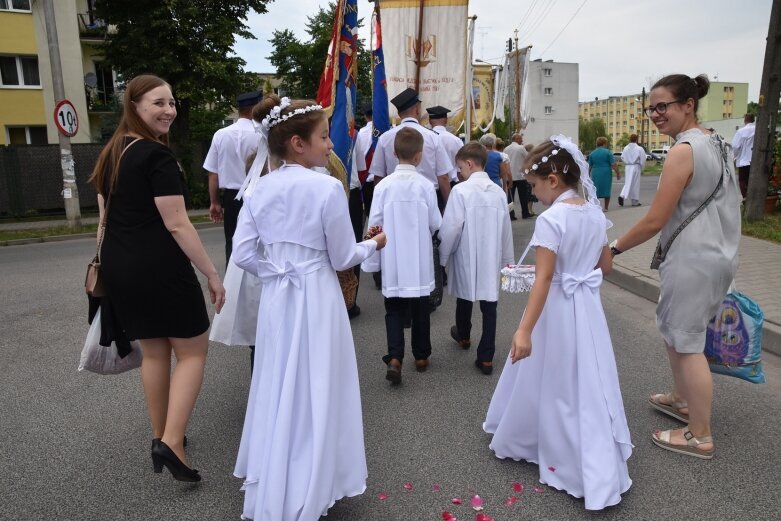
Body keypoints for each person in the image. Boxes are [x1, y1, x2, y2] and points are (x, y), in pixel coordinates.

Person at [231, 94, 387, 520]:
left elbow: (242, 253)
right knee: (319, 381)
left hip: (279, 298)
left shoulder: (259, 188)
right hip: (317, 294)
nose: (331, 144)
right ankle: (316, 476)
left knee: (279, 379)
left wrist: (275, 271)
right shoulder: (325, 187)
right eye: (323, 137)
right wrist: (373, 243)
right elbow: (340, 258)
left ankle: (277, 471)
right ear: (298, 143)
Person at [89, 74, 226, 482]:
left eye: (171, 103)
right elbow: (178, 224)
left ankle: (161, 436)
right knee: (192, 351)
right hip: (158, 267)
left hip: (120, 267)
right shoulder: (156, 156)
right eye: (157, 103)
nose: (168, 110)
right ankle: (172, 442)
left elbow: (103, 220)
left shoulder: (111, 154)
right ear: (134, 106)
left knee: (153, 352)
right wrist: (212, 273)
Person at [483, 135, 632, 510]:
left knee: (559, 378)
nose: (530, 194)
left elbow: (546, 279)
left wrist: (523, 329)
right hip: (587, 305)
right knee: (587, 376)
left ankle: (557, 451)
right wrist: (574, 268)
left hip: (560, 307)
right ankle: (594, 454)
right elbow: (606, 266)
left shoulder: (552, 219)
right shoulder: (595, 212)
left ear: (552, 179)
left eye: (532, 185)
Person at [611, 74, 741, 460]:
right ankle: (682, 400)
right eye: (651, 107)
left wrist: (613, 248)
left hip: (692, 258)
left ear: (688, 104)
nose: (655, 114)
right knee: (677, 333)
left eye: (662, 105)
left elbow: (654, 220)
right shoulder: (718, 141)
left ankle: (699, 434)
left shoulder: (683, 151)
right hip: (716, 255)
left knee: (686, 344)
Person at [363, 127, 442, 385]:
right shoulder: (425, 186)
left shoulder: (383, 186)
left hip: (393, 256)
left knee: (394, 308)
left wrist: (372, 254)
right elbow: (434, 222)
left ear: (395, 153)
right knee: (421, 306)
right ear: (419, 156)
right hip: (418, 257)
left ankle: (395, 357)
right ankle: (421, 356)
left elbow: (375, 222)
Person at [439, 142, 514, 375]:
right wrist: (507, 260)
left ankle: (463, 335)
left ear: (470, 164)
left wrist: (442, 257)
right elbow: (505, 228)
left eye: (460, 168)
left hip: (466, 254)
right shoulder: (499, 192)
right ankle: (486, 356)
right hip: (491, 253)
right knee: (489, 305)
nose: (459, 173)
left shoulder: (460, 192)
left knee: (465, 295)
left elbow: (451, 228)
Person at [369, 87, 453, 210]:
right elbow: (443, 177)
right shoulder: (433, 137)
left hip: (394, 198)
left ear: (399, 113)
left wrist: (379, 205)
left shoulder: (384, 138)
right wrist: (449, 207)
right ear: (417, 110)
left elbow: (378, 176)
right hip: (428, 197)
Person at [204, 91, 261, 264]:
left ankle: (232, 286)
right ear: (256, 108)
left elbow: (213, 173)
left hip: (232, 198)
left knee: (233, 241)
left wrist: (215, 202)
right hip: (259, 194)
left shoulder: (221, 134)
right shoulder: (263, 134)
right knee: (260, 244)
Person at [427, 105, 463, 187]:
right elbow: (461, 167)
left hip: (432, 186)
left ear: (429, 121)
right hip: (452, 184)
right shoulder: (456, 140)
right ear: (446, 120)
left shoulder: (425, 139)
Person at [587, 136, 620, 211]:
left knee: (595, 188)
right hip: (606, 172)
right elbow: (613, 164)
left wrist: (587, 176)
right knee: (606, 189)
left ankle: (595, 206)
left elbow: (589, 166)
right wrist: (618, 173)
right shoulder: (608, 152)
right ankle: (606, 207)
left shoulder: (592, 153)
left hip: (595, 172)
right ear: (604, 143)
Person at [505, 133, 532, 219]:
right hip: (520, 175)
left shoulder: (506, 149)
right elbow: (528, 157)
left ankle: (511, 214)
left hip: (510, 176)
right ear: (516, 139)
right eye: (520, 139)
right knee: (523, 196)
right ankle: (525, 213)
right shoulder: (521, 148)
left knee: (510, 197)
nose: (522, 140)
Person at [732, 113, 756, 199]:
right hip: (756, 160)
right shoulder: (758, 129)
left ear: (745, 120)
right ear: (753, 119)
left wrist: (734, 156)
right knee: (753, 180)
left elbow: (735, 146)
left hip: (744, 160)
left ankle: (746, 198)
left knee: (742, 180)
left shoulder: (741, 131)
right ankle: (754, 197)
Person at [618, 133, 647, 206]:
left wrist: (626, 162)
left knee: (628, 182)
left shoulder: (626, 148)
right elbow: (643, 158)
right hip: (636, 166)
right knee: (635, 184)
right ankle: (634, 201)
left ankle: (622, 195)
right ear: (637, 139)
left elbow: (622, 157)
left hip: (628, 167)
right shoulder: (639, 148)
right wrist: (642, 167)